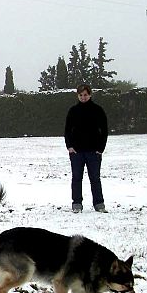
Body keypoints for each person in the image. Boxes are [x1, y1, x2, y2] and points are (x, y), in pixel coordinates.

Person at [64, 83, 108, 213]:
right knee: (77, 178)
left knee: (95, 178)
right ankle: (77, 203)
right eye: (81, 95)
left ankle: (99, 204)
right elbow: (67, 130)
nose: (83, 97)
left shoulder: (98, 110)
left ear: (90, 95)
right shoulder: (73, 111)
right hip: (76, 152)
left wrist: (100, 148)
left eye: (86, 95)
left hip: (93, 152)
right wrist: (69, 147)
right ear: (78, 95)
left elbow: (104, 130)